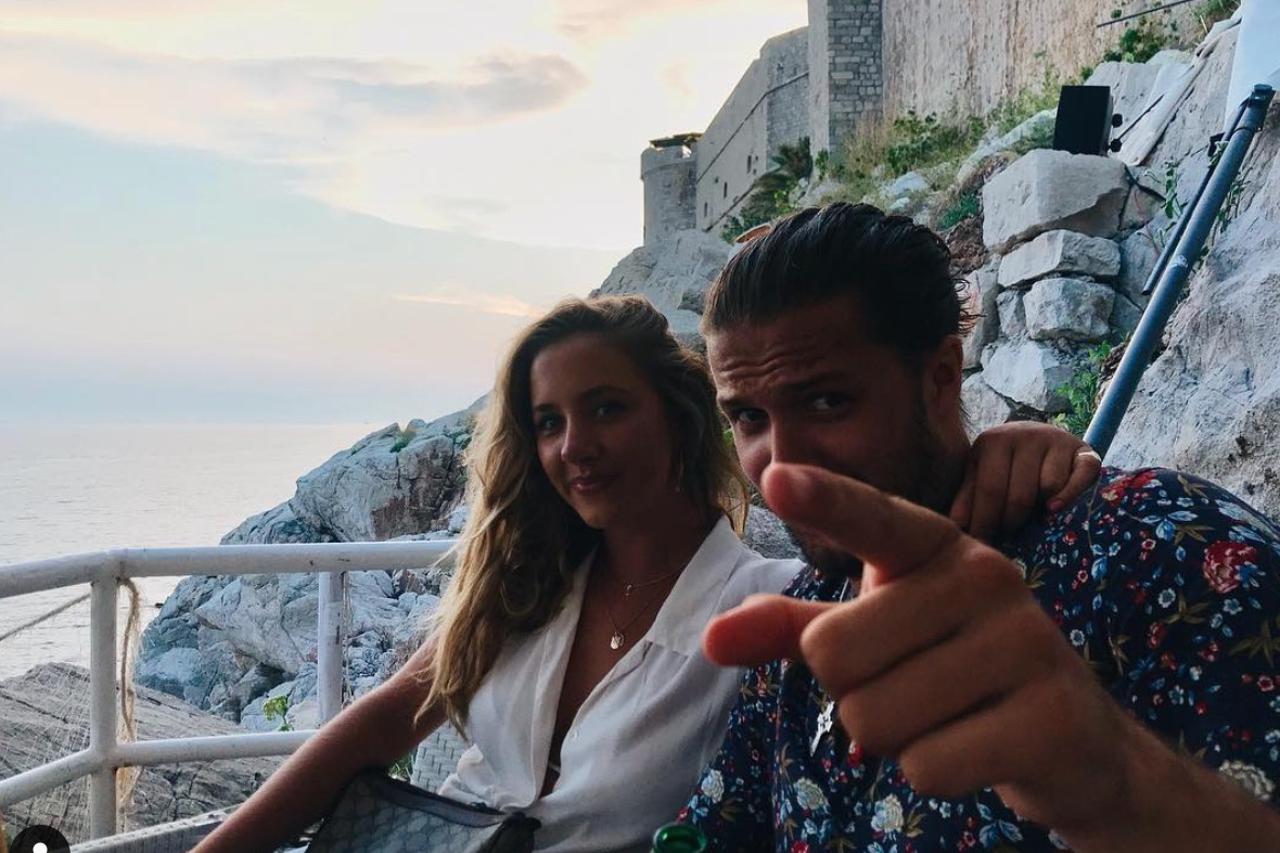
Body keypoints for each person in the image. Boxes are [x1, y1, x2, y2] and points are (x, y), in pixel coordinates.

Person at [194, 295, 1097, 853]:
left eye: (606, 409)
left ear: (678, 417)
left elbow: (921, 560)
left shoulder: (770, 607)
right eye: (549, 422)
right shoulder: (526, 588)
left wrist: (1011, 452)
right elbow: (377, 723)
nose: (574, 447)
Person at [680, 202, 1280, 850]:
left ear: (941, 377)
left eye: (828, 401)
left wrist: (1119, 781)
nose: (780, 462)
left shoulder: (1159, 545)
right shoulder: (798, 627)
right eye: (748, 418)